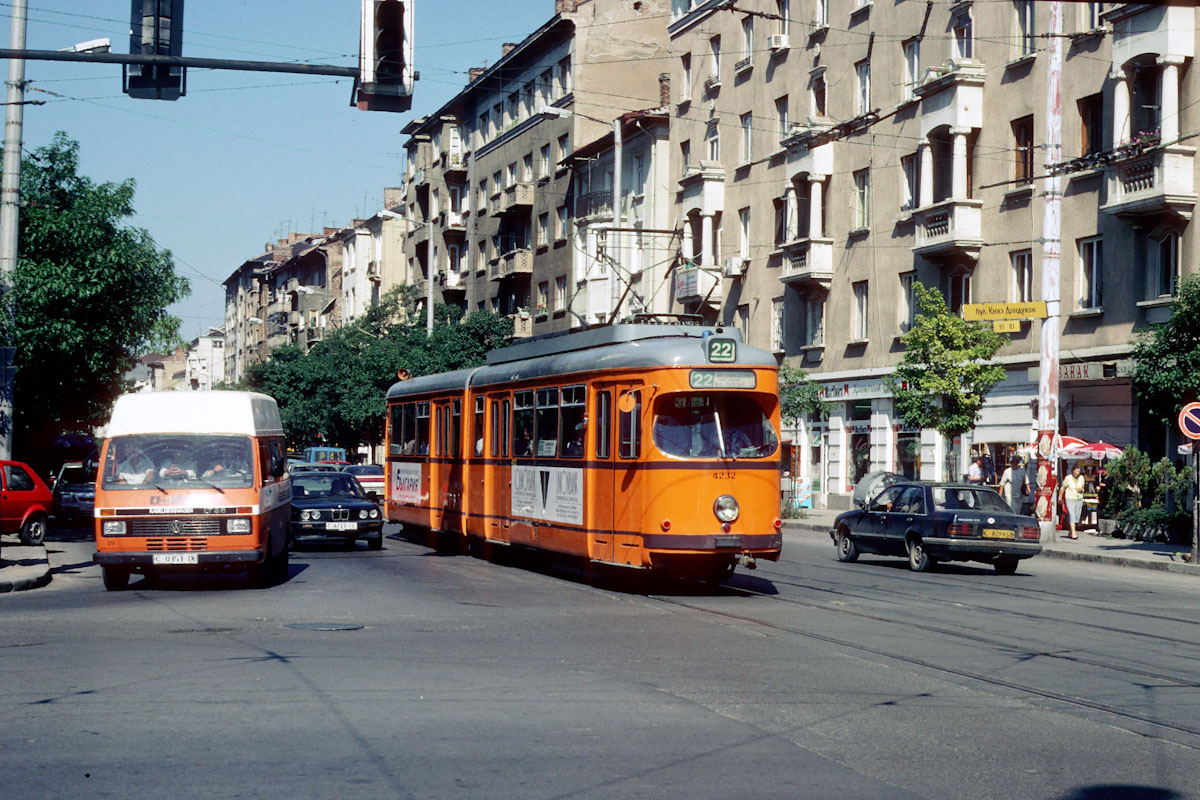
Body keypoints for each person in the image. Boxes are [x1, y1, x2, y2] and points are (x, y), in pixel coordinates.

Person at [1062, 465, 1086, 540]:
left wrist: (1082, 490)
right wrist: (1060, 497)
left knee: (1076, 517)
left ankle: (1070, 532)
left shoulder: (1081, 478)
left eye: (1078, 471)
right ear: (1072, 470)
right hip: (1070, 498)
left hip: (1079, 499)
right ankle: (1073, 533)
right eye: (1076, 471)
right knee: (1072, 515)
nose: (1077, 473)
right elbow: (1063, 488)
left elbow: (1082, 487)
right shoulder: (1068, 478)